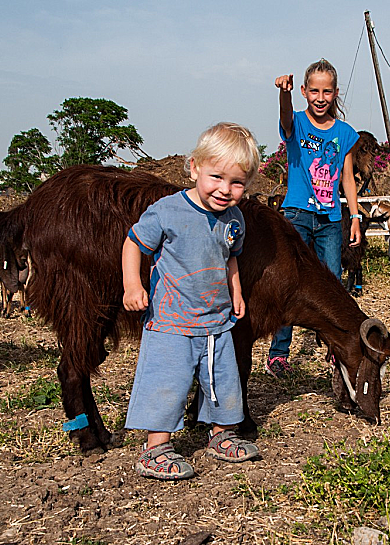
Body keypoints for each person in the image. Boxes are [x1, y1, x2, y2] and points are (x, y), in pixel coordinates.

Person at [122, 122, 261, 480]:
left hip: (216, 320)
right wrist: (132, 285)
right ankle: (155, 449)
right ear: (195, 167)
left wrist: (236, 291)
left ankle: (221, 435)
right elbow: (133, 243)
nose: (225, 189)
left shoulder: (234, 218)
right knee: (168, 382)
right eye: (216, 177)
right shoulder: (167, 211)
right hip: (171, 320)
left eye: (237, 183)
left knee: (222, 381)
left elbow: (230, 257)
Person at [266, 58, 362, 379]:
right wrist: (283, 93)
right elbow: (285, 117)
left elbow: (347, 178)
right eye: (315, 91)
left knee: (333, 284)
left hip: (330, 219)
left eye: (327, 92)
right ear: (305, 91)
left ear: (336, 93)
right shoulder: (296, 123)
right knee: (288, 281)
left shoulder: (345, 133)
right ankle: (278, 354)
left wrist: (355, 216)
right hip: (297, 214)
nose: (321, 98)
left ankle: (336, 349)